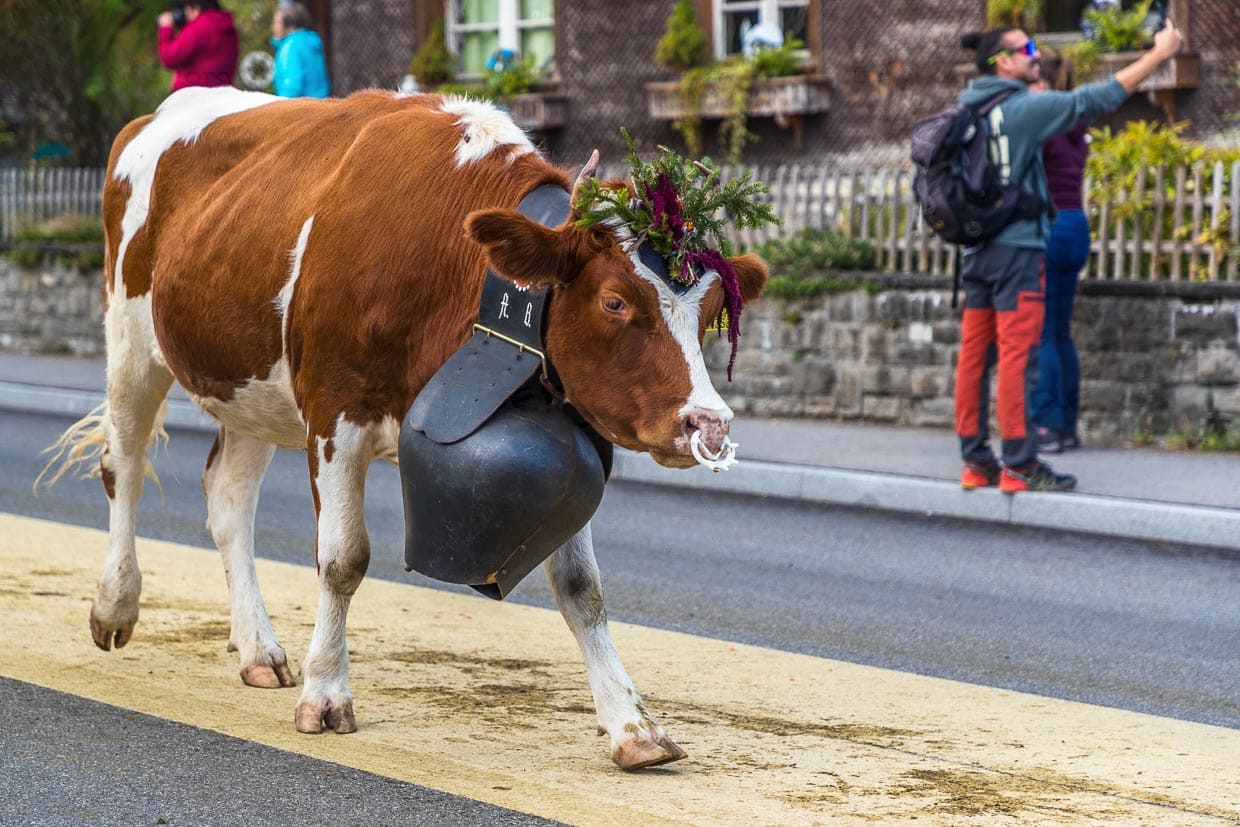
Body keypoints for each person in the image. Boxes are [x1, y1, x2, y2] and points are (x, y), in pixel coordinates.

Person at [954, 21, 1183, 493]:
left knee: (974, 358)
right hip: (1018, 251)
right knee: (1020, 357)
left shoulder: (964, 107)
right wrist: (1159, 55)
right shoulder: (1020, 108)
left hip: (976, 251)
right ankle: (1020, 465)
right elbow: (1094, 100)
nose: (1036, 56)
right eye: (1028, 49)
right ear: (1003, 61)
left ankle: (976, 461)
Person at [1031, 52, 1089, 454]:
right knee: (1062, 331)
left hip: (1050, 225)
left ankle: (1048, 424)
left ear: (1042, 83)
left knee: (1045, 331)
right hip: (1076, 224)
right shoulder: (1076, 123)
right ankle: (1068, 424)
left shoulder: (1044, 122)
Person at [157, 0, 239, 92]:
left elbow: (169, 58)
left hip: (192, 95)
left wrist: (165, 28)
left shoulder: (199, 26)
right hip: (222, 93)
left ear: (196, 8)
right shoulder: (227, 27)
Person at [271, 2, 331, 98]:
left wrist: (282, 106)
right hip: (320, 103)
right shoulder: (308, 41)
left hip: (302, 108)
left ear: (289, 24)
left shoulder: (291, 46)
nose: (273, 27)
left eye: (277, 22)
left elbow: (292, 84)